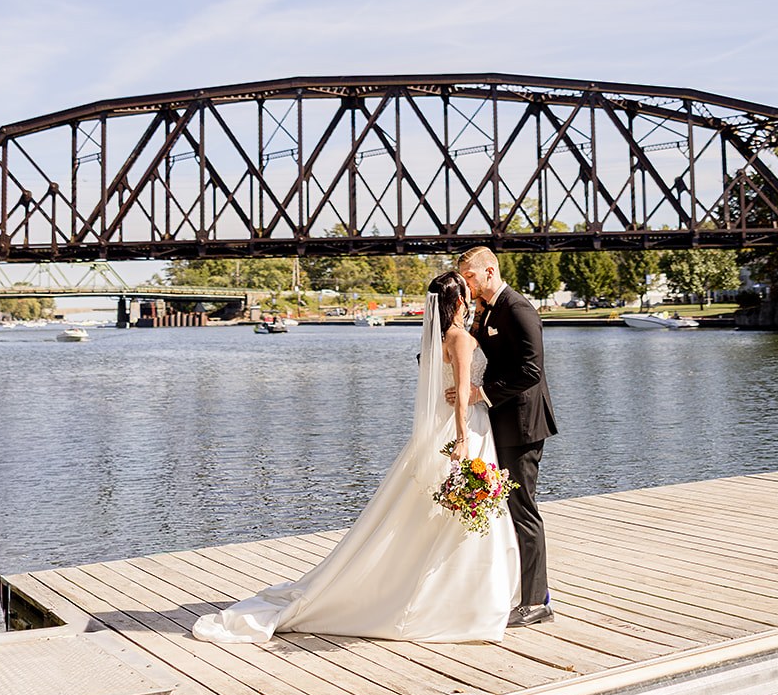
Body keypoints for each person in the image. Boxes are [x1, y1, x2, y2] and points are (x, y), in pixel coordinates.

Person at [192, 271, 519, 643]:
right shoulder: (459, 339)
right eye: (467, 292)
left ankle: (459, 597)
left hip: (456, 429)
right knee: (460, 513)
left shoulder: (438, 338)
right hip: (465, 429)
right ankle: (461, 603)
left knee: (446, 514)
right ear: (459, 301)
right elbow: (461, 393)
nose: (473, 295)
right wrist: (462, 438)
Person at [453, 247, 558, 628]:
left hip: (523, 425)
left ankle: (536, 602)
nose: (466, 283)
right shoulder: (488, 309)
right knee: (509, 509)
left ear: (489, 271)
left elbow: (532, 370)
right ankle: (525, 590)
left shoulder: (517, 308)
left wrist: (482, 394)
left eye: (469, 276)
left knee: (523, 510)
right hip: (501, 423)